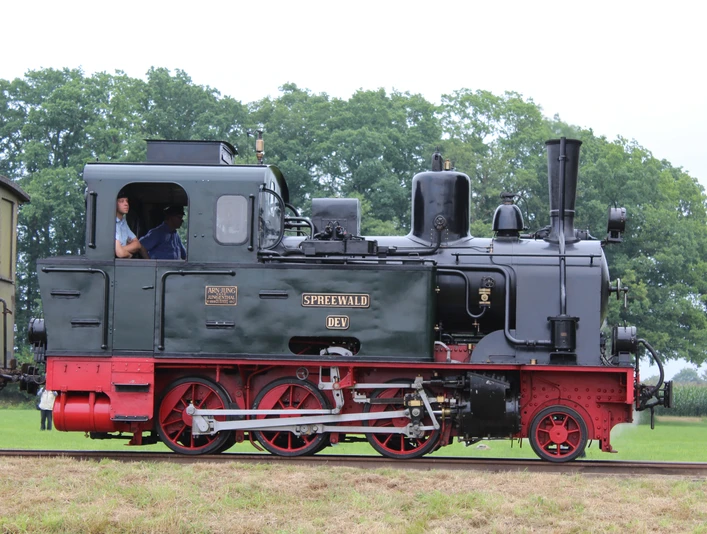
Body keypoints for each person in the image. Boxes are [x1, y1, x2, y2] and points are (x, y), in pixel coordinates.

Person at [115, 191, 148, 258]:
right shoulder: (111, 224)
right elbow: (120, 254)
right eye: (121, 201)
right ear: (114, 204)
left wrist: (121, 249)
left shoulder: (123, 222)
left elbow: (137, 244)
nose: (126, 204)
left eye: (127, 201)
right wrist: (130, 255)